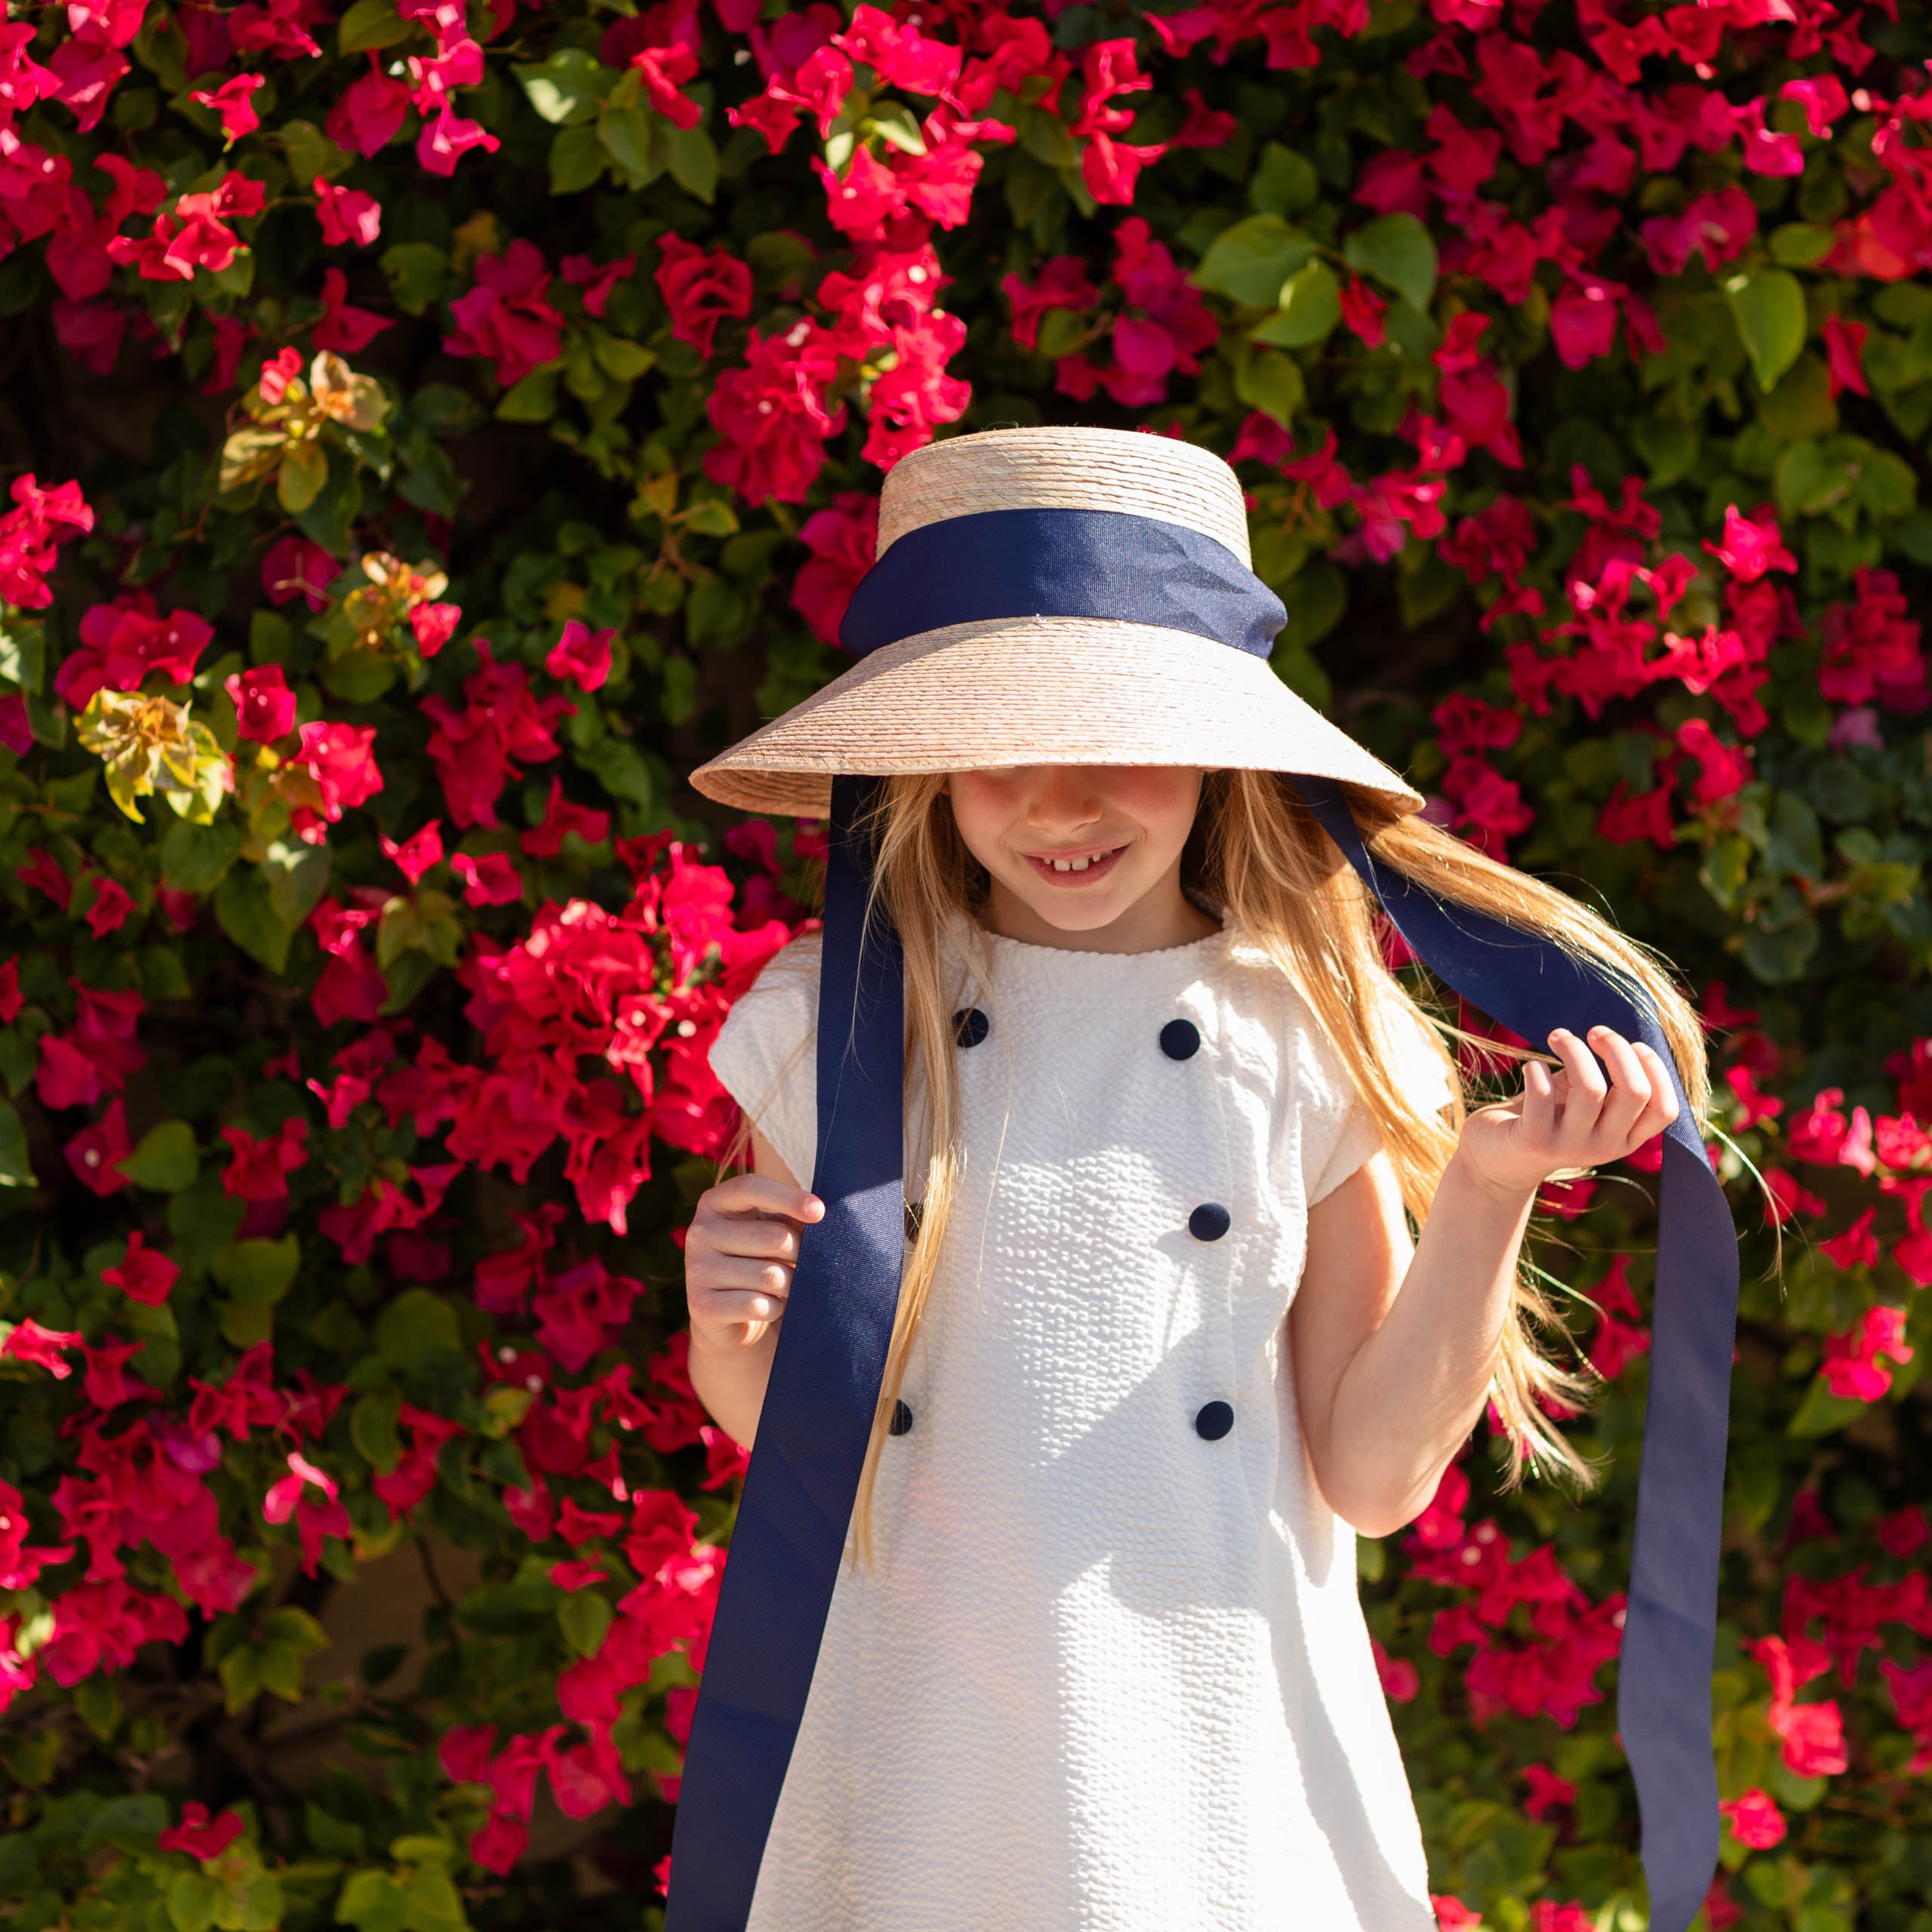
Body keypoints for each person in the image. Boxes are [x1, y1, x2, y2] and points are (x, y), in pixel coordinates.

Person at [669, 427, 1726, 1932]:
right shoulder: (838, 1019)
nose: (1058, 802)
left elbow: (1368, 1469)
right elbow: (807, 1440)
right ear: (925, 767)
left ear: (1220, 744)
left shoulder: (1298, 1030)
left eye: (1117, 734)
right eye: (995, 748)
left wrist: (1488, 1186)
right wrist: (726, 1331)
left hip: (1212, 1757)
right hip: (917, 1750)